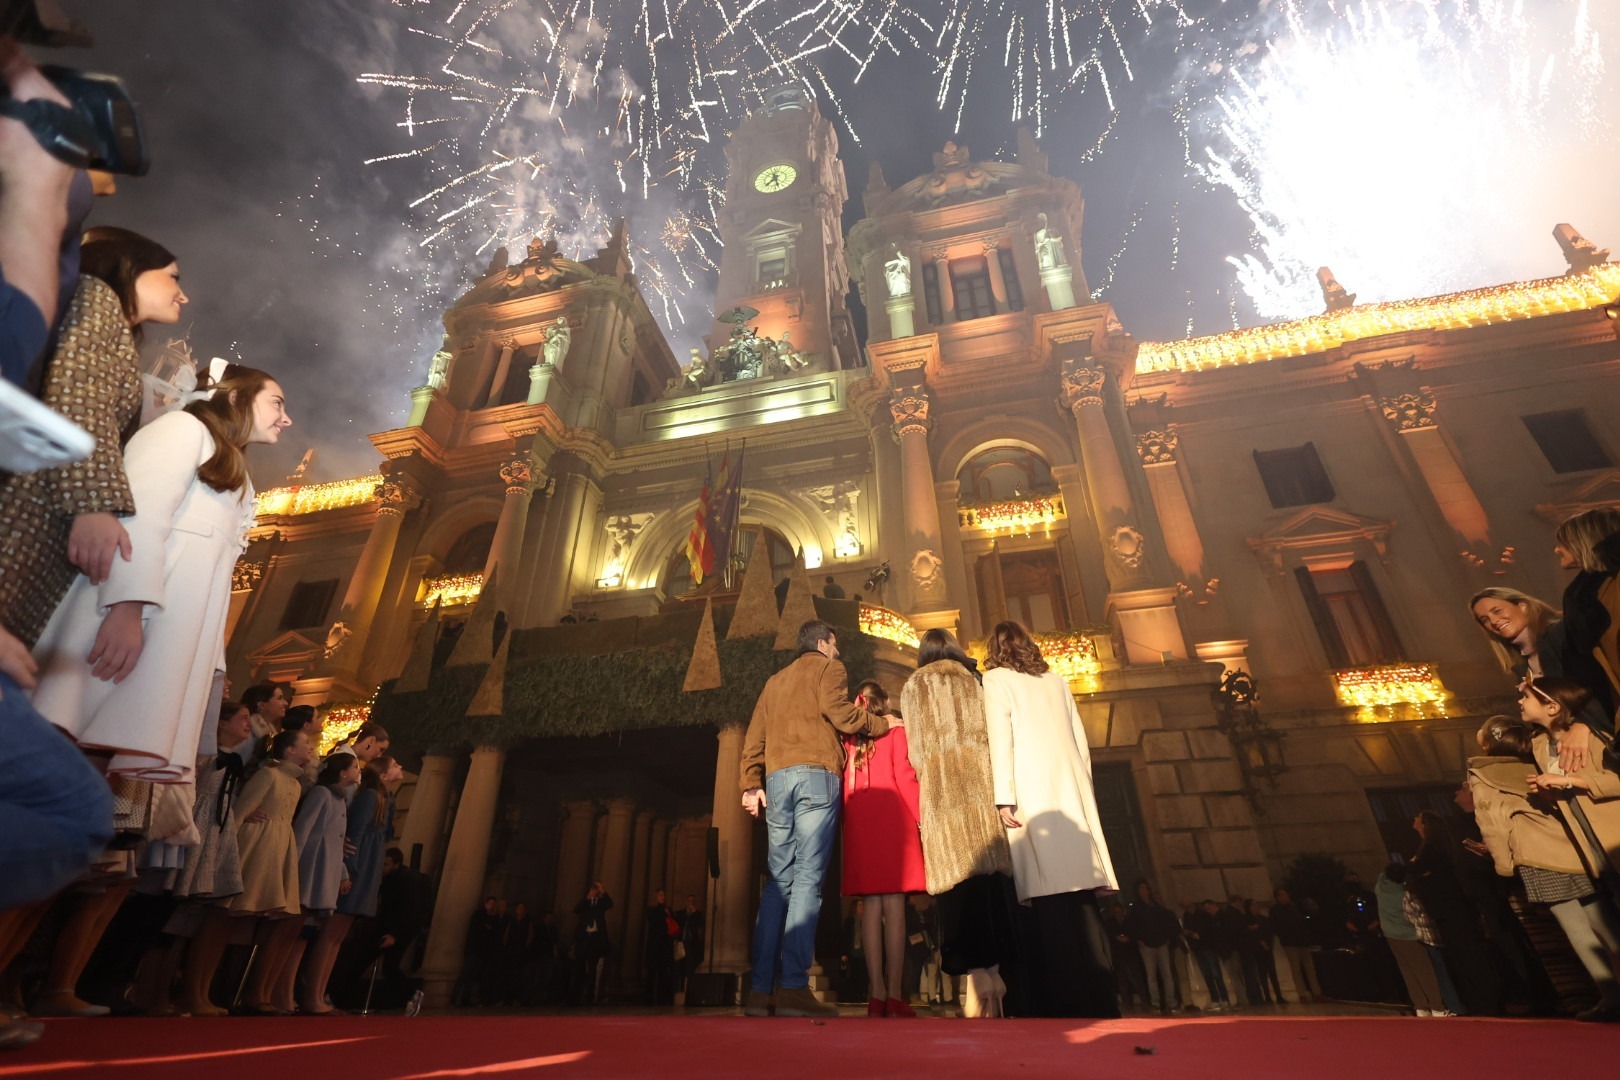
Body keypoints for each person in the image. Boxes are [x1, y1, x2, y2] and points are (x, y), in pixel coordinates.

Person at [32, 364, 292, 781]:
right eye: (276, 403)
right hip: (128, 622)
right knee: (64, 746)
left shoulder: (234, 469)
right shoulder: (183, 429)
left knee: (97, 759)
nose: (286, 418)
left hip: (165, 637)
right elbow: (138, 517)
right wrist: (126, 608)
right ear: (236, 398)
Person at [739, 619, 891, 1018]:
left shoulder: (774, 682)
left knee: (778, 883)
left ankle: (758, 991)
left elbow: (754, 736)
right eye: (835, 644)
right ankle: (792, 987)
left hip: (776, 780)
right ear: (823, 643)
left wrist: (750, 784)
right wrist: (881, 724)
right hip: (816, 777)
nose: (838, 652)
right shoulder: (829, 668)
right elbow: (840, 714)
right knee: (807, 878)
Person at [982, 620, 1118, 1018]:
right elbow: (1080, 740)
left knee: (1047, 897)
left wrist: (1004, 797)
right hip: (1070, 788)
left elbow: (999, 738)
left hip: (1031, 789)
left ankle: (1063, 1001)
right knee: (1081, 899)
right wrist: (1083, 789)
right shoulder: (1055, 680)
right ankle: (1102, 998)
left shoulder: (996, 680)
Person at [1469, 711, 1620, 1022]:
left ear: (1487, 746)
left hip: (1537, 856)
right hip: (1574, 849)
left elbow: (1493, 825)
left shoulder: (1483, 774)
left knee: (1576, 929)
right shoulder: (1537, 757)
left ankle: (1610, 997)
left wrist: (1504, 866)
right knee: (1606, 923)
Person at [900, 628, 1015, 1018]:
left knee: (956, 888)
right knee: (989, 884)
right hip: (982, 788)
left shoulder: (915, 686)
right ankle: (995, 974)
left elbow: (916, 753)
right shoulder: (973, 680)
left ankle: (978, 977)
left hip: (943, 794)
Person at [840, 679, 924, 1017]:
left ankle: (874, 994)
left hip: (861, 821)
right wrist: (922, 819)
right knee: (895, 908)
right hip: (893, 821)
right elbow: (905, 778)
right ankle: (894, 994)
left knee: (870, 909)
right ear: (885, 704)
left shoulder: (851, 737)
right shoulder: (895, 731)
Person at [1470, 587, 1611, 771]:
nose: (1494, 622)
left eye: (1497, 611)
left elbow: (1596, 682)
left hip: (1601, 735)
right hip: (1571, 753)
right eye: (1485, 620)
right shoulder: (1522, 663)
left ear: (1523, 606)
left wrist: (1584, 725)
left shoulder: (1559, 635)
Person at [228, 728, 312, 1014]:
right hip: (257, 846)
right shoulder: (268, 775)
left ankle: (253, 992)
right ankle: (226, 991)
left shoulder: (295, 784)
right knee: (239, 914)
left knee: (266, 920)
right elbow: (240, 813)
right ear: (289, 750)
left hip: (278, 847)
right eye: (307, 744)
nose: (312, 748)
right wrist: (228, 857)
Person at [1521, 679, 1620, 896]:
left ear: (1553, 707)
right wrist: (1548, 794)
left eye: (1527, 697)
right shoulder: (1539, 745)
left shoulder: (1590, 736)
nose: (1520, 701)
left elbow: (1616, 780)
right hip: (1592, 844)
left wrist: (1570, 781)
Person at [1406, 809, 1501, 1016]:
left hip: (1452, 908)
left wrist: (1417, 869)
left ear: (1426, 824)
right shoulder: (1427, 848)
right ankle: (1475, 1000)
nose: (1413, 819)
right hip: (1442, 909)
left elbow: (1418, 870)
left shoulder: (1436, 848)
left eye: (1418, 818)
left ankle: (1487, 1000)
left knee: (1468, 955)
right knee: (1458, 956)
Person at [291, 752, 360, 1014]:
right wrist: (292, 865)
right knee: (296, 932)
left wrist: (341, 871)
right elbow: (303, 830)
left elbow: (338, 841)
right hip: (311, 868)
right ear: (342, 772)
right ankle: (286, 995)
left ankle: (297, 996)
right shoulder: (321, 794)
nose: (358, 770)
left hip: (326, 870)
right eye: (354, 767)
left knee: (305, 934)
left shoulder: (339, 800)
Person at [1555, 509, 1620, 737]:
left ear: (1583, 540)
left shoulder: (1607, 590)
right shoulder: (1585, 595)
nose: (1557, 549)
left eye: (1562, 542)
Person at [1374, 862, 1446, 1016]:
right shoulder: (1404, 894)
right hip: (1408, 935)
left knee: (1408, 972)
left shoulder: (1380, 887)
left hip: (1390, 935)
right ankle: (1437, 1007)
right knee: (1424, 971)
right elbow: (1415, 914)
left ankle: (1420, 1006)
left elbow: (1384, 874)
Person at [374, 848, 430, 1009]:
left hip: (398, 931)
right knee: (385, 966)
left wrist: (395, 934)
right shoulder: (390, 880)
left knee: (390, 967)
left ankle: (411, 994)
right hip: (388, 929)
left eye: (385, 864)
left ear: (396, 864)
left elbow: (409, 910)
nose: (382, 868)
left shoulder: (406, 881)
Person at [1125, 881, 1180, 1015]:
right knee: (1152, 976)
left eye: (1146, 888)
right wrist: (1138, 939)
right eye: (1142, 888)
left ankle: (1171, 1002)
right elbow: (1131, 926)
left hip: (1161, 943)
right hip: (1147, 945)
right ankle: (1155, 1002)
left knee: (1167, 974)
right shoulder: (1136, 909)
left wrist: (1167, 937)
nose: (1145, 891)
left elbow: (1168, 920)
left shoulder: (1156, 906)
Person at [1268, 888, 1319, 1003]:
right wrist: (1284, 936)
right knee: (1296, 969)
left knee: (1310, 968)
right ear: (1278, 897)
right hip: (1290, 943)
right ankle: (1302, 994)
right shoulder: (1275, 910)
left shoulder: (1295, 907)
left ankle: (1316, 992)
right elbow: (1275, 926)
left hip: (1302, 941)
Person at [1183, 900, 1231, 1012]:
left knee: (1216, 973)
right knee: (1207, 975)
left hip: (1208, 947)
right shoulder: (1187, 916)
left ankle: (1224, 998)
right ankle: (1215, 998)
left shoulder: (1203, 915)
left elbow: (1209, 931)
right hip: (1197, 948)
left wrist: (1198, 935)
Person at [1103, 900, 1148, 1011]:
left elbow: (1135, 934)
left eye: (1120, 912)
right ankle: (1128, 1004)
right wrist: (1117, 938)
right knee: (1123, 981)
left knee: (1137, 979)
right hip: (1118, 955)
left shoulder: (1129, 921)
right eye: (1117, 912)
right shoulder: (1110, 923)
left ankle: (1145, 1002)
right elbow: (1108, 937)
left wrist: (1129, 939)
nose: (1119, 914)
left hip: (1130, 953)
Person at [573, 882, 612, 1005]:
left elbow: (610, 904)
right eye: (593, 888)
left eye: (596, 889)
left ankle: (590, 997)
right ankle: (575, 997)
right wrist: (588, 896)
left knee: (592, 969)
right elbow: (576, 909)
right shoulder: (586, 902)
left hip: (596, 939)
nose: (595, 890)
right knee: (579, 968)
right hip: (584, 938)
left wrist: (603, 890)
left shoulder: (600, 903)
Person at [643, 889, 678, 1005]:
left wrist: (668, 913)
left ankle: (662, 998)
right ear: (656, 897)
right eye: (660, 895)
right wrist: (664, 913)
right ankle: (648, 998)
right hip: (654, 945)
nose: (663, 897)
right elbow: (654, 920)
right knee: (652, 973)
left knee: (664, 973)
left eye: (663, 895)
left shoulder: (667, 910)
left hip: (664, 945)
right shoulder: (652, 910)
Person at [675, 894, 703, 992]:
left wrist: (694, 912)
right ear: (686, 902)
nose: (690, 903)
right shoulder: (680, 914)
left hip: (691, 943)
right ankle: (679, 987)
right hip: (681, 942)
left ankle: (689, 988)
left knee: (690, 966)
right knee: (680, 966)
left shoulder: (697, 914)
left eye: (692, 901)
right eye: (689, 901)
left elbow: (700, 923)